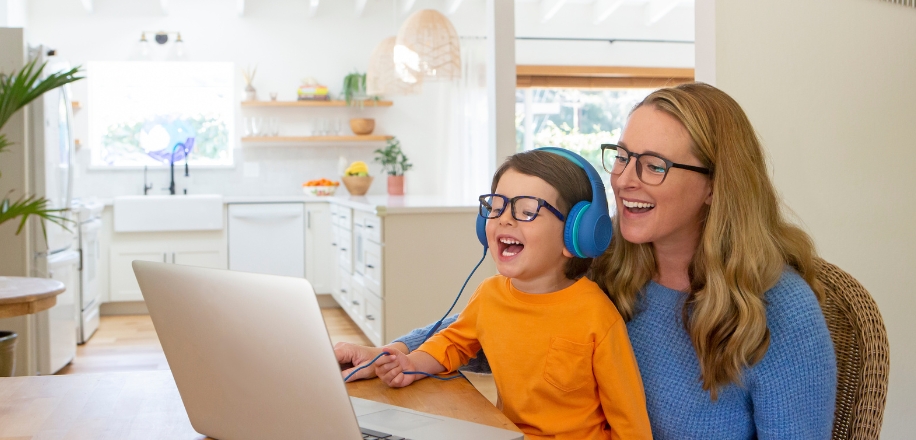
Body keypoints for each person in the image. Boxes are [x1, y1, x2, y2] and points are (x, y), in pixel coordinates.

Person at [335, 83, 838, 439]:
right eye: (622, 157)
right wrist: (393, 350)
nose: (624, 180)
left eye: (654, 165)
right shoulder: (612, 264)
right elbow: (511, 328)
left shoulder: (782, 311)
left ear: (715, 186)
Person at [373, 149, 652, 440]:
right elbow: (453, 342)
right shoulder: (489, 295)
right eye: (497, 206)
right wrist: (413, 364)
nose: (505, 219)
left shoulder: (597, 315)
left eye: (527, 210)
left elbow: (628, 416)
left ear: (575, 235)